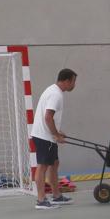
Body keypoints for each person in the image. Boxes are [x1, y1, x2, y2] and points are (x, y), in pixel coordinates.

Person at [29, 68, 77, 209]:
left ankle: (56, 196)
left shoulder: (53, 90)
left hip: (46, 134)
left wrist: (57, 131)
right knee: (42, 166)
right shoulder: (56, 94)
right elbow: (48, 116)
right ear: (67, 81)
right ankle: (41, 200)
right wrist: (56, 134)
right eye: (73, 82)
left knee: (54, 163)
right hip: (44, 136)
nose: (74, 85)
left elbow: (49, 117)